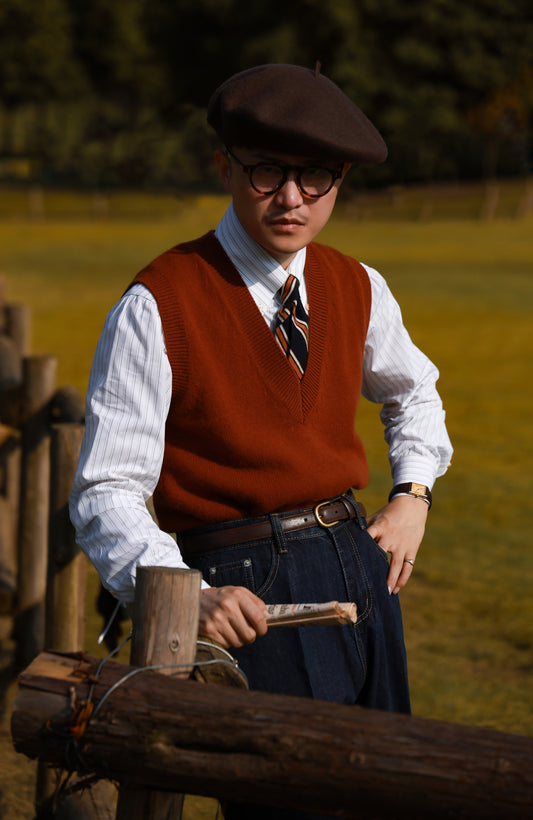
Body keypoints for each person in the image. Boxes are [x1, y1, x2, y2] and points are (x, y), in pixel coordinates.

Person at [70, 63, 452, 820]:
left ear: (339, 179)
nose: (290, 199)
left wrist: (411, 495)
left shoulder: (357, 284)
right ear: (225, 167)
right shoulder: (160, 302)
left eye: (314, 177)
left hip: (358, 568)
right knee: (293, 801)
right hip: (242, 585)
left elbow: (415, 394)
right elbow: (105, 489)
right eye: (266, 171)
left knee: (387, 786)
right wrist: (186, 596)